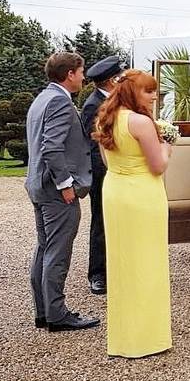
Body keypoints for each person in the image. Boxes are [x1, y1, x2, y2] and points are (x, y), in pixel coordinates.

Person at [93, 70, 172, 358]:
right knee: (147, 261)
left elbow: (106, 161)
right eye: (148, 91)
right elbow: (157, 166)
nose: (153, 96)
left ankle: (124, 335)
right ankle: (147, 336)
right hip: (142, 194)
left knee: (123, 262)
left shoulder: (106, 120)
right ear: (132, 93)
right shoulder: (140, 122)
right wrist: (167, 146)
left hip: (115, 191)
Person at [24, 52, 99, 332]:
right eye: (81, 72)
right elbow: (51, 147)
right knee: (57, 251)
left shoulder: (41, 98)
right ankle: (57, 314)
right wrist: (65, 184)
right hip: (55, 192)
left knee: (44, 248)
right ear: (69, 74)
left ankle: (44, 312)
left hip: (37, 186)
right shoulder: (58, 100)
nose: (83, 77)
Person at [79, 55, 124, 295]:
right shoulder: (92, 104)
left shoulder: (117, 101)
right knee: (101, 222)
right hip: (103, 173)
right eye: (118, 77)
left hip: (120, 170)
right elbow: (91, 144)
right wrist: (107, 170)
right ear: (111, 81)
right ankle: (97, 274)